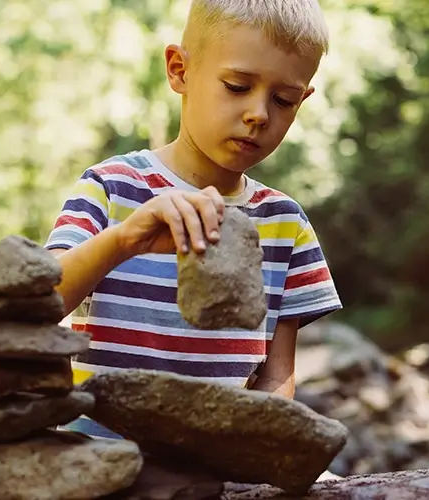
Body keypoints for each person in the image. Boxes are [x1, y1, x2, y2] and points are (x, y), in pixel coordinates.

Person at [44, 0, 342, 439]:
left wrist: (258, 446)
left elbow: (277, 375)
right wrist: (125, 240)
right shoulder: (111, 187)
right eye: (238, 86)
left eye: (284, 100)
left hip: (212, 466)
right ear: (179, 70)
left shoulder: (285, 225)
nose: (260, 114)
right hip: (96, 455)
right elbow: (40, 305)